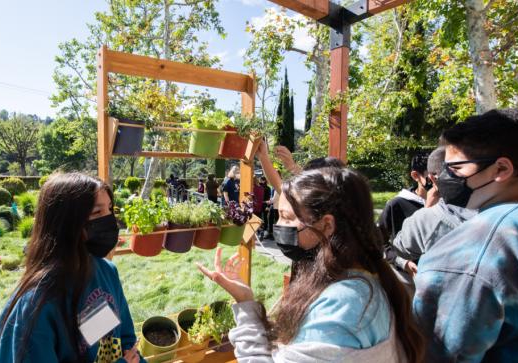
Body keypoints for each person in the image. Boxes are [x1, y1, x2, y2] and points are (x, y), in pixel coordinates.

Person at [197, 167, 425, 362]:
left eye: (286, 218)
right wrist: (246, 298)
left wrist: (245, 307)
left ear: (327, 225)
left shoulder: (343, 307)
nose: (278, 226)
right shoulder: (361, 278)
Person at [412, 109, 518, 362]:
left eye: (455, 168)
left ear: (501, 168)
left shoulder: (479, 245)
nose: (444, 178)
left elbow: (439, 352)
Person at [0, 173, 142, 363]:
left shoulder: (106, 271)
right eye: (96, 212)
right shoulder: (36, 306)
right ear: (65, 223)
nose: (110, 219)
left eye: (110, 209)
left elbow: (123, 337)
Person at [387, 147, 477, 282]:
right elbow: (383, 243)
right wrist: (402, 262)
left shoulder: (463, 202)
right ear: (417, 176)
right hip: (410, 278)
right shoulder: (397, 204)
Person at [377, 152, 433, 242]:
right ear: (416, 176)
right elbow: (378, 239)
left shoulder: (448, 202)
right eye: (432, 175)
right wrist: (393, 254)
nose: (437, 179)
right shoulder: (396, 205)